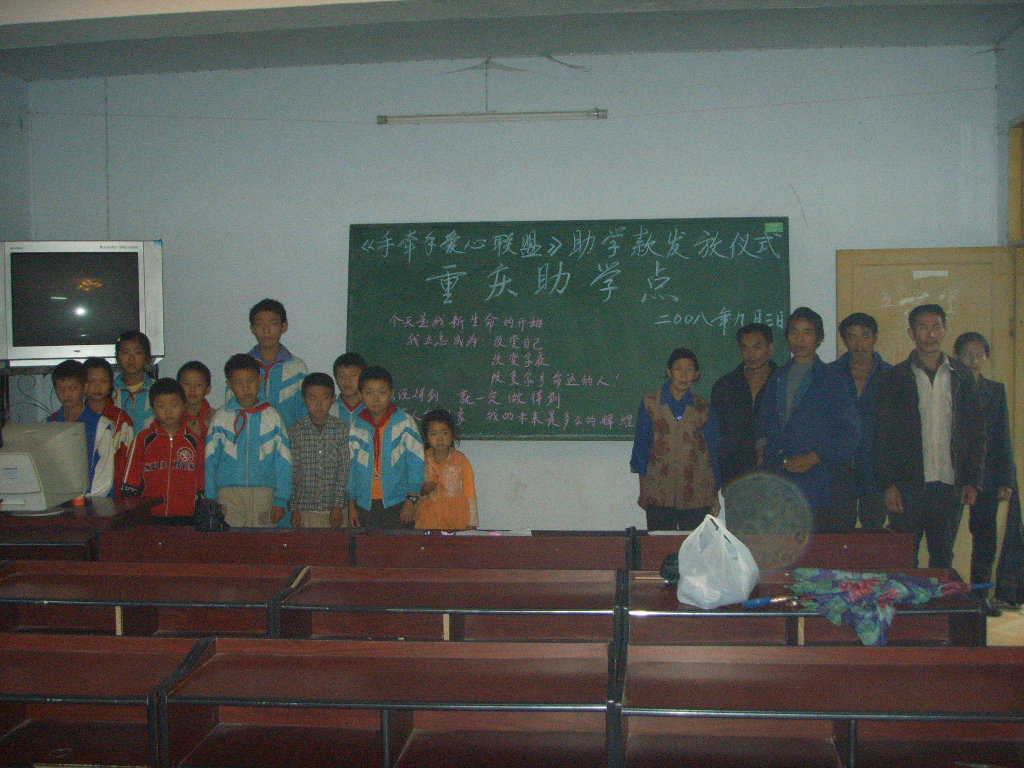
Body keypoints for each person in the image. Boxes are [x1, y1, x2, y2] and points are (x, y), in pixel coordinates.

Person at [875, 304, 985, 569]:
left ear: (945, 330)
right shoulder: (895, 378)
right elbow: (882, 436)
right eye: (923, 328)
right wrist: (888, 484)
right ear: (911, 333)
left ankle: (940, 599)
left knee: (943, 558)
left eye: (936, 326)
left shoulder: (963, 377)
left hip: (949, 485)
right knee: (903, 557)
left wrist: (973, 480)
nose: (930, 334)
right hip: (907, 485)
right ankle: (906, 599)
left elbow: (976, 433)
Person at [757, 307, 860, 532]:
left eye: (807, 333)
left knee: (816, 548)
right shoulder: (778, 376)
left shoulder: (833, 378)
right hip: (781, 482)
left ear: (819, 338)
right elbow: (765, 421)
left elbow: (849, 433)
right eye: (794, 332)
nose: (799, 339)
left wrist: (815, 456)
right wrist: (762, 449)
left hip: (819, 483)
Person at [954, 331, 1017, 615]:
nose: (974, 360)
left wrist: (1007, 479)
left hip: (988, 476)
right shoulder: (949, 386)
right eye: (968, 355)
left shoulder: (995, 389)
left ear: (986, 358)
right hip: (954, 474)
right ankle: (949, 598)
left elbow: (1003, 436)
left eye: (979, 355)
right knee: (947, 538)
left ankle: (981, 597)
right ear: (957, 357)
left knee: (985, 538)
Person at [630, 347, 721, 531]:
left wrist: (714, 494)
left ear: (696, 374)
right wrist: (644, 491)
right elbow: (641, 449)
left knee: (695, 545)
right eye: (678, 368)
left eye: (690, 369)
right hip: (659, 491)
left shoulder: (703, 408)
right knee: (660, 545)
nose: (683, 374)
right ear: (669, 371)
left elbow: (714, 451)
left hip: (697, 493)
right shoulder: (650, 404)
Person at [206, 353, 292, 528]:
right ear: (229, 385)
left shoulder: (272, 416)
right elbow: (210, 460)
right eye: (238, 383)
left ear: (260, 380)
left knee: (262, 540)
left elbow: (283, 461)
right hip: (229, 493)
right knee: (232, 540)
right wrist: (211, 497)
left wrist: (281, 499)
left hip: (264, 492)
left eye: (250, 381)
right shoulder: (221, 417)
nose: (245, 387)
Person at [827, 312, 892, 529]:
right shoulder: (829, 375)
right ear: (844, 340)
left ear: (875, 337)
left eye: (865, 336)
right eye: (852, 337)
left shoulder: (891, 376)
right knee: (838, 531)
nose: (859, 343)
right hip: (838, 467)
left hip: (876, 468)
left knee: (873, 532)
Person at [347, 366, 425, 529]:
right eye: (369, 393)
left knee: (398, 545)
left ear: (391, 393)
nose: (376, 398)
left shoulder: (404, 423)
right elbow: (350, 466)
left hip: (398, 503)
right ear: (360, 395)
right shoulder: (356, 425)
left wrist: (412, 500)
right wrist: (351, 504)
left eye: (382, 392)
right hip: (364, 504)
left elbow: (416, 463)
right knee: (367, 545)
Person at [121, 378, 204, 521]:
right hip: (150, 516)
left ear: (184, 405)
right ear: (153, 408)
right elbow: (131, 480)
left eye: (174, 405)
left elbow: (201, 480)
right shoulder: (143, 439)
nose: (168, 411)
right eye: (161, 406)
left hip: (186, 517)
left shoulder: (194, 441)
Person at [710, 323, 777, 489]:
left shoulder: (783, 383)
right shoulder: (725, 386)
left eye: (757, 347)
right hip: (736, 478)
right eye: (745, 348)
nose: (751, 354)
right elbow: (717, 437)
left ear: (770, 348)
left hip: (777, 478)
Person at [289, 372, 350, 528]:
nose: (319, 404)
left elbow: (344, 470)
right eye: (312, 398)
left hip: (336, 509)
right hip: (306, 509)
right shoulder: (296, 430)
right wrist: (295, 507)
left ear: (333, 398)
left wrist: (337, 506)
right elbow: (293, 471)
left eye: (324, 398)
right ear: (304, 399)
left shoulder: (342, 429)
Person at [47, 359, 115, 498]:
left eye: (72, 388)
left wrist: (83, 500)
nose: (66, 394)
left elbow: (105, 480)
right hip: (60, 501)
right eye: (61, 389)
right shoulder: (50, 425)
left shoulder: (101, 426)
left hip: (96, 502)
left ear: (85, 387)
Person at [246, 298, 308, 426]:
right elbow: (232, 408)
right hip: (249, 436)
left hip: (288, 436)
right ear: (252, 328)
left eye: (273, 324)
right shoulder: (242, 366)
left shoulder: (297, 367)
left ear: (284, 327)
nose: (266, 330)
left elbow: (305, 410)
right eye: (259, 324)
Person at [416, 408, 479, 530]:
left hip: (456, 520)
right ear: (426, 437)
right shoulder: (421, 461)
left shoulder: (461, 461)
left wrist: (472, 522)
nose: (439, 438)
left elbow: (470, 493)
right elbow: (413, 491)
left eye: (444, 433)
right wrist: (422, 492)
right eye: (434, 434)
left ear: (452, 435)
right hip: (428, 520)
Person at [83, 357, 135, 502]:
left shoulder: (121, 420)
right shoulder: (76, 418)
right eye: (92, 381)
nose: (97, 387)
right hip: (81, 493)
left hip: (113, 493)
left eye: (103, 381)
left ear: (111, 384)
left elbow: (127, 462)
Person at [112, 330, 156, 431]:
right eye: (125, 352)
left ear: (147, 357)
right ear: (117, 357)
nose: (131, 358)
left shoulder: (157, 390)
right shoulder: (111, 391)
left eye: (137, 353)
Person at [177, 361, 214, 443]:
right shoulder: (172, 418)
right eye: (187, 384)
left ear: (208, 389)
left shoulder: (215, 418)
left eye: (198, 385)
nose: (192, 389)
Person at [329, 352, 367, 426]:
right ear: (336, 380)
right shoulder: (328, 410)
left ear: (363, 378)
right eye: (341, 376)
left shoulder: (372, 408)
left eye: (353, 375)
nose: (347, 381)